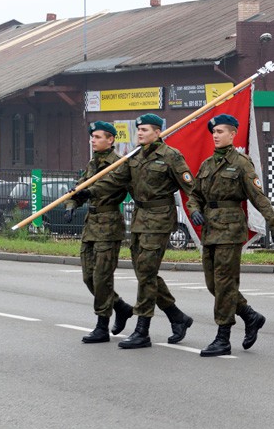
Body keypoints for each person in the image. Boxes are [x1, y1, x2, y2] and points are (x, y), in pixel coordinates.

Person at [77, 113, 196, 349]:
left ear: (157, 132)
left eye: (144, 130)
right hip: (140, 220)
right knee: (145, 273)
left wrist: (195, 210)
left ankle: (143, 330)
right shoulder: (134, 157)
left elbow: (191, 187)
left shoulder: (171, 156)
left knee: (147, 273)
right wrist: (88, 191)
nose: (139, 133)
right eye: (138, 129)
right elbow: (114, 180)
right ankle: (177, 317)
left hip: (160, 219)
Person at [186, 114, 274, 356]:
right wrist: (194, 210)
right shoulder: (207, 164)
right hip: (210, 231)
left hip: (230, 231)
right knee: (214, 284)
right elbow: (194, 195)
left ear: (233, 134)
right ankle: (250, 316)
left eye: (221, 131)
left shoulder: (241, 163)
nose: (216, 135)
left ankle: (223, 337)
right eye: (214, 131)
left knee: (224, 283)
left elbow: (259, 199)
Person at [64, 121, 134, 344]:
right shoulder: (93, 163)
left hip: (109, 224)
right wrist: (71, 206)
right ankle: (121, 307)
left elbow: (107, 186)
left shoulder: (119, 163)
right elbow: (79, 186)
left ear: (110, 139)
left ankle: (101, 325)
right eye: (92, 137)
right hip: (91, 224)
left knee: (102, 278)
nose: (93, 140)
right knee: (88, 277)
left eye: (97, 137)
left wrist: (85, 192)